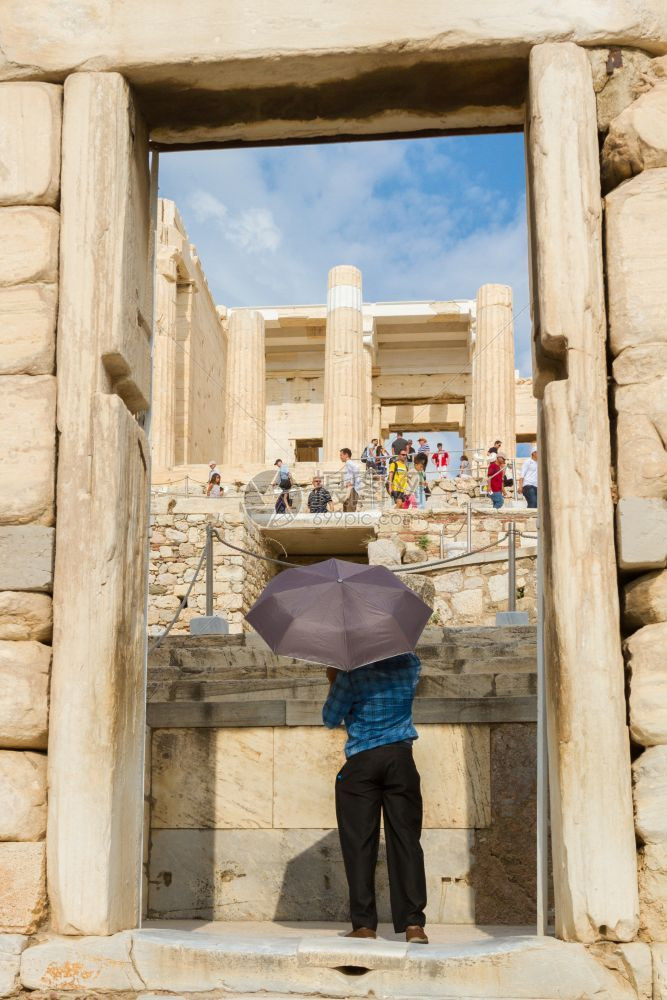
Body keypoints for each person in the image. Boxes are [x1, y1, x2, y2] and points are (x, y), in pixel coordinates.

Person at [322, 653, 428, 944]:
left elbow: (330, 718)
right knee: (406, 840)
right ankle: (414, 925)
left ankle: (365, 925)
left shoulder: (350, 673)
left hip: (362, 762)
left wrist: (334, 679)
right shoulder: (410, 664)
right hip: (401, 759)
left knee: (359, 843)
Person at [340, 448, 362, 512]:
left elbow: (356, 468)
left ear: (346, 455)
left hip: (353, 490)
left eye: (341, 455)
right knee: (346, 509)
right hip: (350, 489)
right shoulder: (347, 463)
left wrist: (352, 482)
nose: (340, 457)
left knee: (350, 511)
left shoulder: (349, 462)